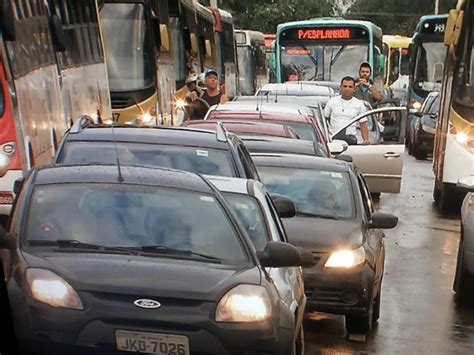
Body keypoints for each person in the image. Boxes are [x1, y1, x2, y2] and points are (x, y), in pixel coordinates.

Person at [324, 76, 370, 145]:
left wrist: (366, 140)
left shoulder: (359, 104)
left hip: (350, 141)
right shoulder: (332, 102)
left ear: (354, 89)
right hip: (333, 140)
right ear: (340, 87)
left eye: (350, 87)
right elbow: (324, 120)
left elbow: (363, 124)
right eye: (345, 86)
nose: (347, 89)